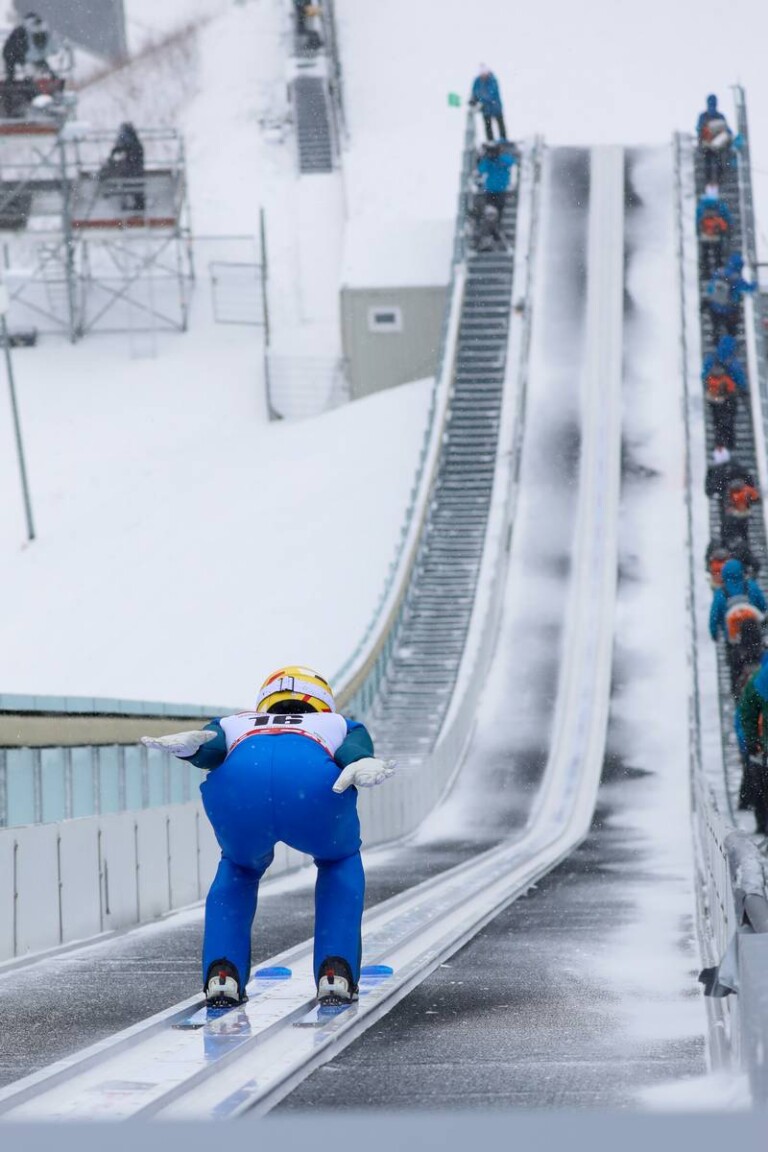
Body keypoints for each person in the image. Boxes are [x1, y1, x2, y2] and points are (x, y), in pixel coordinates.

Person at [141, 665, 395, 1007]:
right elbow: (353, 753)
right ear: (321, 700)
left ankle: (223, 972)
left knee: (238, 868)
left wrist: (189, 751)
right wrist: (361, 761)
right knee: (339, 862)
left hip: (240, 788)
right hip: (313, 788)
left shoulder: (234, 722)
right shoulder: (337, 723)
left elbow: (208, 749)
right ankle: (335, 970)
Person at [710, 558, 766, 694]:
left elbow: (714, 616)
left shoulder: (721, 593)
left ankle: (737, 692)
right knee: (760, 661)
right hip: (754, 635)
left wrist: (714, 633)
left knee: (735, 667)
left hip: (734, 639)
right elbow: (763, 606)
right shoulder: (751, 586)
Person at [735, 652, 768, 832]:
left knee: (759, 788)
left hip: (762, 748)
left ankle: (763, 826)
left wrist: (751, 741)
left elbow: (745, 714)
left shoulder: (759, 679)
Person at [701, 335, 747, 450]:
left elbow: (704, 374)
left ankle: (719, 443)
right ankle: (730, 443)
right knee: (729, 420)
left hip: (713, 397)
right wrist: (743, 389)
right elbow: (740, 378)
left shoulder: (711, 358)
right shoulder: (732, 361)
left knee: (717, 420)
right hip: (728, 397)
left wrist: (710, 386)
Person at [704, 253, 757, 341]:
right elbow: (748, 288)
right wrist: (756, 283)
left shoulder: (719, 272)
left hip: (714, 307)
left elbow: (710, 288)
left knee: (716, 328)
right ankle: (730, 343)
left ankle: (716, 340)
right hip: (729, 310)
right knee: (731, 331)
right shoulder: (736, 278)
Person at [100, 122, 145, 211]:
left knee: (125, 177)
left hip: (132, 171)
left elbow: (124, 151)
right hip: (132, 170)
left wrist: (116, 154)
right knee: (122, 174)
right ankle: (136, 203)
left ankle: (135, 203)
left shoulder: (132, 144)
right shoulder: (133, 143)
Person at [705, 446, 756, 523]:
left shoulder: (716, 472)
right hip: (733, 505)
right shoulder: (737, 469)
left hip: (728, 506)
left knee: (730, 521)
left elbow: (710, 490)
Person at [477, 140, 515, 240]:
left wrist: (483, 157)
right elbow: (481, 169)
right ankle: (492, 231)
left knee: (496, 212)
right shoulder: (492, 161)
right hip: (493, 190)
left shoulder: (498, 160)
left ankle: (494, 231)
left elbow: (481, 169)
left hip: (497, 190)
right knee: (493, 212)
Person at [696, 94, 733, 188]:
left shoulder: (716, 116)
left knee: (714, 163)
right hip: (710, 146)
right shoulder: (709, 116)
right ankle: (714, 184)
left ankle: (713, 183)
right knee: (713, 163)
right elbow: (700, 130)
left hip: (714, 146)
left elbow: (727, 131)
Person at [696, 188, 732, 275]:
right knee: (718, 255)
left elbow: (697, 220)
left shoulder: (701, 205)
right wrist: (728, 230)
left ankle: (705, 272)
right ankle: (718, 272)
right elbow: (727, 218)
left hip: (705, 235)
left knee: (705, 255)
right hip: (717, 235)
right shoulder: (720, 204)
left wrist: (698, 232)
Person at [470, 65, 506, 142]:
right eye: (482, 75)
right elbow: (475, 92)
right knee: (488, 126)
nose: (483, 76)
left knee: (500, 124)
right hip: (486, 110)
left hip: (495, 107)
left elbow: (492, 94)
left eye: (484, 74)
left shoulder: (493, 80)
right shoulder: (477, 81)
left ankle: (504, 140)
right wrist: (473, 99)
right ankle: (490, 141)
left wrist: (482, 102)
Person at [723, 476, 761, 544]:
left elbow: (756, 497)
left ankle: (743, 539)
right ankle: (739, 539)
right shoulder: (731, 492)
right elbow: (727, 502)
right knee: (737, 527)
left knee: (743, 528)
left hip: (744, 512)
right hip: (736, 513)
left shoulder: (746, 490)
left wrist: (751, 500)